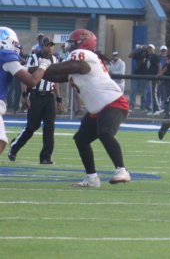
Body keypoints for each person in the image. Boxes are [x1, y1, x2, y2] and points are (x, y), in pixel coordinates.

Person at [42, 29, 132, 187]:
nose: (69, 46)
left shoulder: (83, 56)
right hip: (97, 109)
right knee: (81, 139)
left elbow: (55, 69)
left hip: (114, 103)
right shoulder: (81, 63)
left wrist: (40, 66)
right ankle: (92, 178)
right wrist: (26, 71)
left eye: (72, 43)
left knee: (105, 133)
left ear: (82, 44)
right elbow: (52, 75)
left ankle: (122, 170)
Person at [7, 37, 62, 164]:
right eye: (47, 45)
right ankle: (14, 147)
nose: (50, 48)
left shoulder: (55, 59)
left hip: (49, 96)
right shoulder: (33, 58)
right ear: (42, 46)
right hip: (36, 95)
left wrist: (58, 98)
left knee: (49, 127)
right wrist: (24, 95)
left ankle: (45, 157)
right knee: (32, 126)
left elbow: (55, 81)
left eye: (51, 45)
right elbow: (25, 77)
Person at [0, 27, 51, 157]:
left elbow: (20, 69)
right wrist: (44, 65)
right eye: (14, 43)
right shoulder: (6, 55)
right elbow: (32, 81)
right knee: (0, 141)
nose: (16, 47)